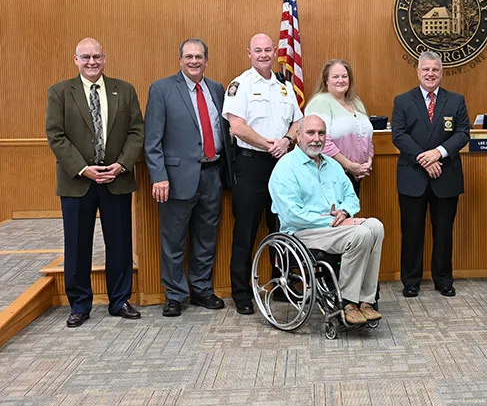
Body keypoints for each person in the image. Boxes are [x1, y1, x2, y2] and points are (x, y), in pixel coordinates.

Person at [45, 38, 144, 327]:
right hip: (77, 181)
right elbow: (56, 135)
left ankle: (120, 300)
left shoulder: (124, 90)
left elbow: (137, 132)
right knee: (77, 244)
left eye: (97, 57)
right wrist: (83, 168)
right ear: (75, 59)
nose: (92, 62)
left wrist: (122, 164)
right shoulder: (60, 92)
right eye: (86, 57)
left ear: (105, 58)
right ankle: (79, 304)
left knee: (120, 243)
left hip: (116, 178)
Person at [269, 115, 384, 325]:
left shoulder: (332, 165)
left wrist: (346, 213)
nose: (316, 138)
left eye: (321, 133)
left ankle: (366, 300)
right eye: (310, 133)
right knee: (360, 233)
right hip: (301, 233)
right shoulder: (285, 168)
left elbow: (351, 197)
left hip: (334, 229)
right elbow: (292, 215)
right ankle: (347, 302)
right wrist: (334, 222)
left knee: (375, 226)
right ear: (298, 136)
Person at [145, 38, 231, 317]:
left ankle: (202, 289)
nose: (194, 61)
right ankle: (174, 295)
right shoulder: (161, 89)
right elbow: (152, 139)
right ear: (180, 59)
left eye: (199, 57)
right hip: (175, 179)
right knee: (174, 240)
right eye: (188, 56)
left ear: (207, 60)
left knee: (206, 238)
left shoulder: (217, 89)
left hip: (212, 175)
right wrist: (159, 176)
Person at [222, 33, 302, 315]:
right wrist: (268, 144)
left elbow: (298, 122)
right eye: (258, 50)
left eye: (268, 49)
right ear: (249, 53)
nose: (264, 54)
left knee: (281, 226)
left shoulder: (284, 86)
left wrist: (287, 141)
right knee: (246, 230)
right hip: (251, 165)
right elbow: (237, 127)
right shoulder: (239, 85)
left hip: (282, 163)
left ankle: (282, 285)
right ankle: (241, 293)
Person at [391, 51, 470, 298]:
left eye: (435, 70)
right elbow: (399, 135)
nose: (430, 74)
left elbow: (463, 133)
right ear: (418, 71)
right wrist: (424, 159)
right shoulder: (402, 101)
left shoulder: (456, 100)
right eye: (426, 69)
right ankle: (411, 281)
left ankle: (444, 279)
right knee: (412, 231)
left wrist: (438, 153)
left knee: (444, 231)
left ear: (441, 72)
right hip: (413, 177)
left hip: (446, 177)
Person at [305, 59, 374, 196]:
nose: (340, 80)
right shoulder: (320, 103)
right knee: (335, 216)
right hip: (330, 175)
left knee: (349, 214)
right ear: (326, 81)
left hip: (356, 175)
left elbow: (367, 136)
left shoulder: (356, 102)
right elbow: (320, 141)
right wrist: (348, 165)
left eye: (344, 76)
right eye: (335, 77)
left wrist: (368, 162)